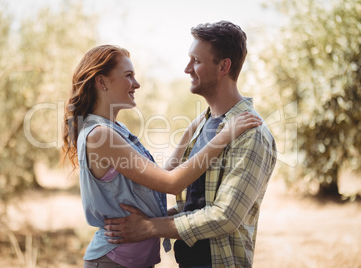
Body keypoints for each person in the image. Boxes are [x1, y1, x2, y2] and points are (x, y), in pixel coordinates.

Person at [62, 44, 262, 268]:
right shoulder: (101, 135)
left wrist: (194, 128)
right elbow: (172, 184)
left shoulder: (114, 129)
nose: (136, 84)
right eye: (129, 76)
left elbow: (159, 178)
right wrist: (224, 136)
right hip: (113, 260)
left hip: (129, 261)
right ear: (102, 82)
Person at [103, 21, 277, 268]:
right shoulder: (205, 124)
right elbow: (194, 203)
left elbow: (224, 216)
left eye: (196, 61)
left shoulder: (251, 132)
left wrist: (150, 227)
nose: (187, 69)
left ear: (223, 66)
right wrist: (152, 219)